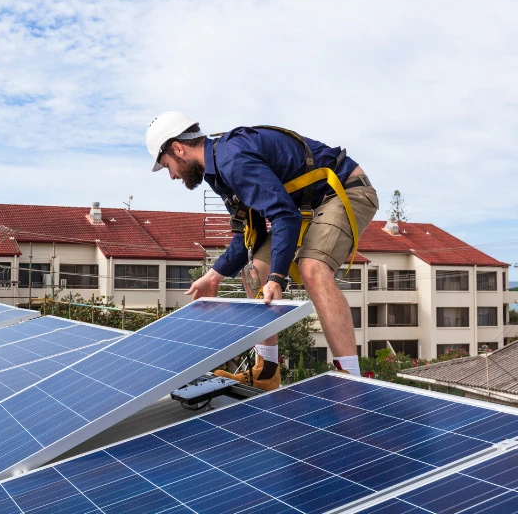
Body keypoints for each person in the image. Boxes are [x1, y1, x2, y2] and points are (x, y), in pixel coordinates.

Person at [146, 111, 379, 389]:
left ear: (177, 148)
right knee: (255, 271)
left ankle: (350, 381)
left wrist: (277, 278)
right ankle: (266, 373)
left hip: (345, 190)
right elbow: (249, 235)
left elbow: (284, 216)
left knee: (312, 268)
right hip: (304, 206)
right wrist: (214, 276)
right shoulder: (218, 171)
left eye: (167, 165)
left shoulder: (232, 159)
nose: (171, 175)